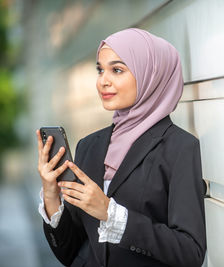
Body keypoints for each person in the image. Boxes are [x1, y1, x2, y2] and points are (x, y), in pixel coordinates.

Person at [36, 28, 207, 267]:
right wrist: (51, 194)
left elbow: (190, 252)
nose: (102, 81)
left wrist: (112, 214)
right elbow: (71, 251)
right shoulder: (89, 146)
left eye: (117, 70)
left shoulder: (179, 148)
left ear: (151, 74)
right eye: (100, 70)